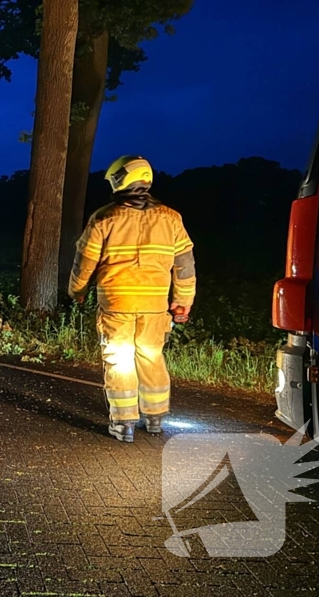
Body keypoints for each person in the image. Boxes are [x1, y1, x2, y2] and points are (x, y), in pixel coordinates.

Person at [68, 156, 197, 443]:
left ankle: (123, 424)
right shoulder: (171, 219)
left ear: (118, 181)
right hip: (155, 307)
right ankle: (154, 418)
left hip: (117, 305)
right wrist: (183, 300)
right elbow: (185, 264)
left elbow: (84, 262)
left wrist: (76, 290)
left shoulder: (104, 218)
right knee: (151, 356)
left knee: (120, 361)